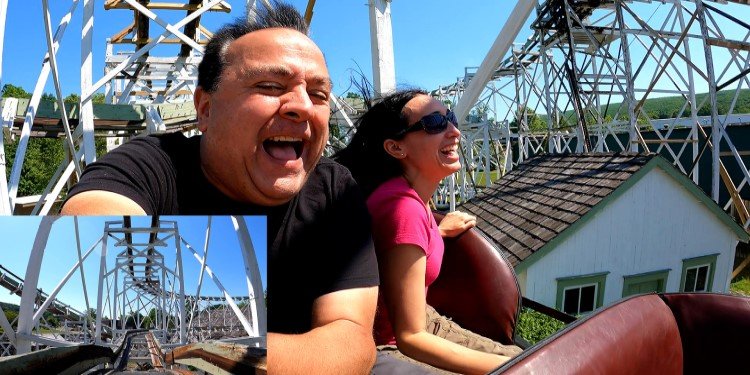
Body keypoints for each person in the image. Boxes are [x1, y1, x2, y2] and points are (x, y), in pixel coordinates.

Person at [61, 3, 380, 374]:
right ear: (206, 110)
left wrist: (204, 352)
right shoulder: (150, 166)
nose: (303, 106)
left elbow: (351, 342)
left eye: (319, 94)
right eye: (271, 86)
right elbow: (94, 233)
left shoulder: (333, 190)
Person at [334, 89, 523, 374]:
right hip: (391, 345)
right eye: (435, 123)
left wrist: (438, 230)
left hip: (423, 319)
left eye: (451, 118)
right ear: (396, 148)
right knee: (527, 363)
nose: (455, 131)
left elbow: (400, 243)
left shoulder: (407, 198)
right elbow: (410, 338)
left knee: (524, 354)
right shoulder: (402, 208)